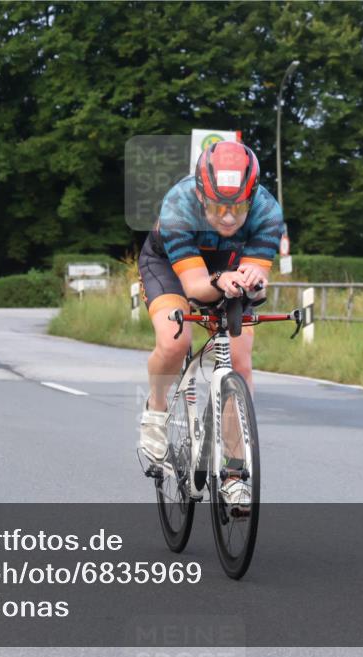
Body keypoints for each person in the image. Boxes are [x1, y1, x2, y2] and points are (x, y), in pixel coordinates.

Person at [137, 141, 282, 507]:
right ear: (201, 196)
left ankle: (234, 472)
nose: (230, 218)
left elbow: (258, 282)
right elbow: (197, 289)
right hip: (170, 268)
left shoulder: (267, 210)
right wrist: (221, 282)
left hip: (227, 265)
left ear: (253, 197)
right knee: (175, 340)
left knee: (240, 359)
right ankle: (155, 411)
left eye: (239, 208)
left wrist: (253, 281)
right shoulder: (177, 206)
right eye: (219, 207)